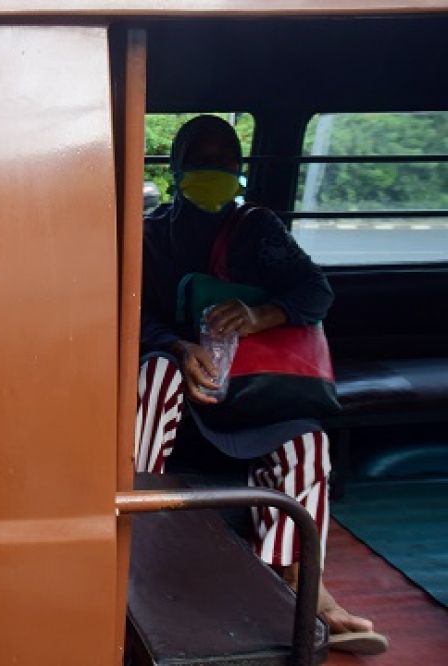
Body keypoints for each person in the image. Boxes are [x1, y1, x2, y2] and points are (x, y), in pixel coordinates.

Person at [136, 115, 388, 655]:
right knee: (155, 369)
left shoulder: (257, 229)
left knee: (308, 442)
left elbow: (315, 293)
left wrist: (259, 314)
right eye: (202, 161)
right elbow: (133, 317)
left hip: (256, 400)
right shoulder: (151, 235)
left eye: (228, 162)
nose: (216, 171)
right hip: (177, 409)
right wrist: (181, 349)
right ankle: (136, 529)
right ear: (176, 169)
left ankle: (301, 587)